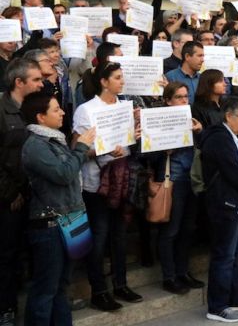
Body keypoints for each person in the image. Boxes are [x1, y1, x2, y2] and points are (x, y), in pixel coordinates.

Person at [72, 61, 142, 312]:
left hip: (122, 178)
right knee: (100, 237)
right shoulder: (86, 110)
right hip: (97, 182)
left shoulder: (125, 106)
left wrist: (136, 133)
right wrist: (102, 150)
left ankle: (120, 284)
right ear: (103, 81)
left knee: (120, 235)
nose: (122, 82)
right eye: (117, 78)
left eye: (122, 77)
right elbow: (79, 148)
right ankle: (99, 290)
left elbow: (130, 141)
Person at [20, 92, 95, 325]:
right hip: (50, 225)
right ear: (40, 117)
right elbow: (63, 174)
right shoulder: (35, 145)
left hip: (71, 218)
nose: (63, 112)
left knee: (62, 285)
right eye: (56, 110)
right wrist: (81, 148)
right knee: (46, 289)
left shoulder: (55, 140)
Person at [200, 96, 238, 322]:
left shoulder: (230, 136)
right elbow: (232, 170)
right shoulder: (219, 137)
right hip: (224, 204)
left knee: (235, 254)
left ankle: (235, 296)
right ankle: (217, 306)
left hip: (236, 203)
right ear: (229, 116)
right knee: (224, 256)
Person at [143, 83, 205, 295]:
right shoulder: (158, 119)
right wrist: (163, 150)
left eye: (186, 96)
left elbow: (205, 147)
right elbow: (147, 156)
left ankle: (183, 271)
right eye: (178, 97)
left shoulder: (191, 119)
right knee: (170, 231)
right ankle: (169, 276)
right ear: (168, 100)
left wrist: (199, 132)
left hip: (191, 179)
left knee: (188, 229)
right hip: (171, 181)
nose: (183, 101)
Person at [0, 59, 43, 324]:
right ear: (19, 82)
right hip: (9, 199)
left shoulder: (35, 109)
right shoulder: (1, 110)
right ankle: (6, 308)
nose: (42, 83)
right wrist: (10, 193)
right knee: (7, 253)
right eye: (36, 80)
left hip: (36, 193)